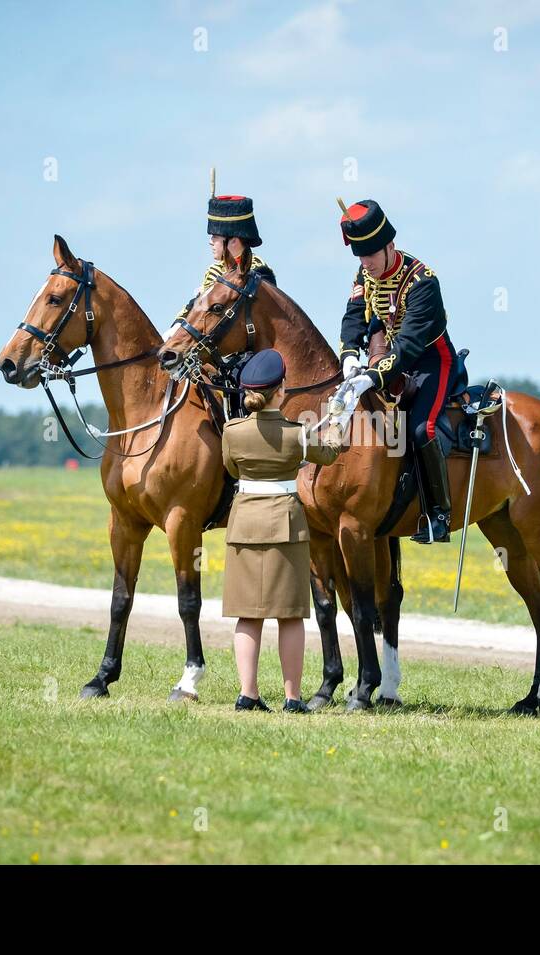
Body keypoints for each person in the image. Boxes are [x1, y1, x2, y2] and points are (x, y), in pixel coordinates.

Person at [221, 349, 342, 712]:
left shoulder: (232, 431)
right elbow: (331, 453)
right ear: (281, 391)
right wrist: (335, 421)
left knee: (247, 614)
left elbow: (231, 469)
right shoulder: (296, 435)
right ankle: (292, 698)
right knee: (289, 615)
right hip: (285, 527)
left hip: (244, 526)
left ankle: (248, 694)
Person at [334, 199, 458, 543]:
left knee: (421, 429)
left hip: (430, 362)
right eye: (360, 256)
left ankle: (438, 516)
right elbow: (354, 316)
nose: (365, 264)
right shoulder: (364, 274)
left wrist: (371, 377)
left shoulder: (422, 282)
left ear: (390, 246)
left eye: (371, 255)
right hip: (385, 364)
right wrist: (348, 355)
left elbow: (409, 347)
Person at [173, 193, 276, 325]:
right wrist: (176, 327)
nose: (210, 242)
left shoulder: (258, 272)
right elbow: (197, 307)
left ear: (233, 241)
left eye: (215, 236)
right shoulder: (214, 270)